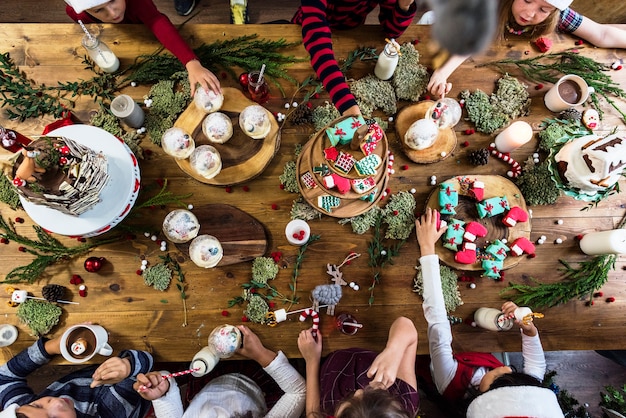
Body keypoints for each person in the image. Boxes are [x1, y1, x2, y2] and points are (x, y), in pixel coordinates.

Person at [414, 208, 564, 417]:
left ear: (480, 395)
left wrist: (427, 247)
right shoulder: (525, 390)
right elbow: (537, 365)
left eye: (498, 378)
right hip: (477, 349)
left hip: (435, 357)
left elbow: (437, 320)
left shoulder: (449, 380)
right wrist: (528, 330)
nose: (507, 368)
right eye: (514, 371)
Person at [427, 0, 626, 97]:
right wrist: (443, 72)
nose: (529, 13)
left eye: (543, 9)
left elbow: (602, 34)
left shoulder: (558, 17)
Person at [134, 325, 306, 417]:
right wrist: (261, 354)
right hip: (262, 379)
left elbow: (166, 386)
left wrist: (161, 389)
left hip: (207, 377)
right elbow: (298, 393)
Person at [64, 0, 221, 97]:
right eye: (99, 10)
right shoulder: (77, 13)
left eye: (113, 0)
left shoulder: (136, 2)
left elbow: (156, 21)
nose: (112, 13)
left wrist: (190, 62)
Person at [292, 0, 418, 117]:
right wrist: (344, 101)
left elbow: (392, 31)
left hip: (351, 30)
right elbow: (315, 37)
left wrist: (404, 5)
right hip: (304, 35)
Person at [0, 323, 153, 418]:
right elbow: (147, 364)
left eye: (37, 406)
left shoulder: (22, 410)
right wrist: (128, 366)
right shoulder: (109, 412)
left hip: (91, 372)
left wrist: (52, 347)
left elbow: (4, 377)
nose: (56, 403)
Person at [297, 316, 419, 417]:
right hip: (370, 350)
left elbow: (313, 415)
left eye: (350, 399)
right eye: (372, 393)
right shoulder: (406, 402)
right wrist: (394, 351)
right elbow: (405, 324)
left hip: (331, 367)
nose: (357, 392)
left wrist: (312, 360)